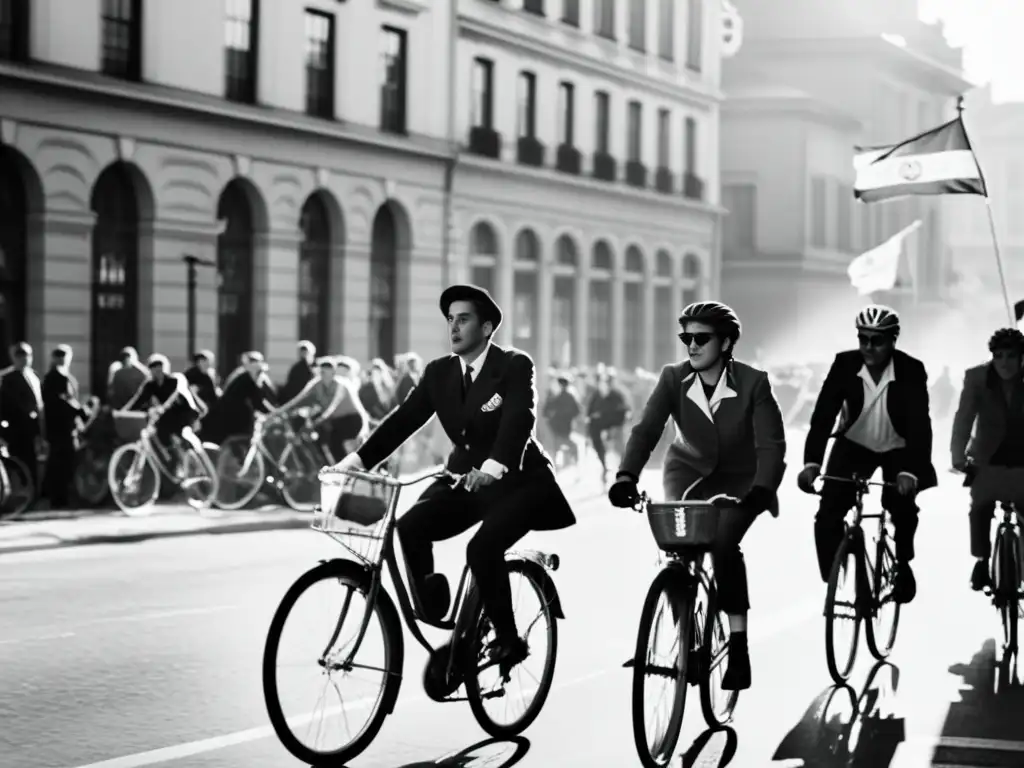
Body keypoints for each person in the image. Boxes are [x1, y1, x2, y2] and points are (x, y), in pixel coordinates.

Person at [330, 284, 576, 665]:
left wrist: (494, 466)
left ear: (487, 327)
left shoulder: (513, 365)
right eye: (450, 320)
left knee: (481, 549)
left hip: (520, 484)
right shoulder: (440, 373)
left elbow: (519, 419)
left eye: (464, 319)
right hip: (466, 478)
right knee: (408, 527)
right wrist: (356, 462)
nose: (454, 328)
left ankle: (509, 641)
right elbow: (404, 420)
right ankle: (435, 605)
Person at [608, 301, 787, 691]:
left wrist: (762, 491)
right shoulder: (674, 378)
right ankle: (685, 635)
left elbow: (771, 444)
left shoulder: (754, 383)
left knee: (723, 545)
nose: (690, 345)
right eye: (685, 337)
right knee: (678, 549)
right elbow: (646, 430)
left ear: (725, 343)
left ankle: (738, 647)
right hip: (686, 475)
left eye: (700, 338)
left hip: (743, 483)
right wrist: (626, 475)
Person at [797, 305, 936, 605]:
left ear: (893, 340)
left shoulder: (911, 370)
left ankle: (902, 563)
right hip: (854, 444)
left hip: (898, 446)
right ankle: (837, 574)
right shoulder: (845, 364)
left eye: (877, 341)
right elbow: (823, 415)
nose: (869, 348)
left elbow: (919, 425)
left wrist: (910, 472)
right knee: (827, 514)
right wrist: (811, 463)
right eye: (863, 339)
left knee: (901, 506)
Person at [951, 327, 1024, 591]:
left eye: (1012, 356)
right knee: (980, 508)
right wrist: (958, 457)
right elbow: (963, 419)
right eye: (999, 356)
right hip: (987, 458)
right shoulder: (977, 378)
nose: (1005, 363)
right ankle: (982, 560)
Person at [121, 354, 207, 474]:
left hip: (183, 413)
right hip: (167, 416)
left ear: (165, 367)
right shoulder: (150, 385)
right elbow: (138, 400)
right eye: (153, 366)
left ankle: (187, 466)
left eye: (160, 366)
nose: (157, 369)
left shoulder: (174, 380)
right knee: (161, 434)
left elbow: (175, 396)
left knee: (174, 435)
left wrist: (163, 408)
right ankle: (171, 463)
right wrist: (123, 413)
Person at [276, 356, 370, 459]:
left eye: (325, 372)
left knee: (333, 441)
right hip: (333, 420)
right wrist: (278, 411)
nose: (322, 376)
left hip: (352, 420)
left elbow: (332, 407)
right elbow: (299, 400)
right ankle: (324, 463)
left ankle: (340, 468)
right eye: (321, 372)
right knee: (318, 437)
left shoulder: (341, 385)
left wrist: (317, 421)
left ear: (333, 373)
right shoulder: (316, 384)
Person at [41, 345, 89, 509]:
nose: (62, 359)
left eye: (65, 356)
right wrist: (79, 411)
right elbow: (61, 401)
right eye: (59, 355)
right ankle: (57, 498)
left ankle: (59, 496)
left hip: (67, 427)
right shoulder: (54, 377)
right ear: (54, 358)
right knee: (60, 463)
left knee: (64, 462)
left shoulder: (65, 376)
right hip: (59, 428)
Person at [0, 342, 44, 491]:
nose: (24, 358)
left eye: (26, 355)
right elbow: (6, 404)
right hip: (17, 430)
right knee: (20, 463)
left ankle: (32, 493)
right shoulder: (7, 378)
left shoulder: (33, 375)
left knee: (33, 463)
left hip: (33, 429)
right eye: (19, 355)